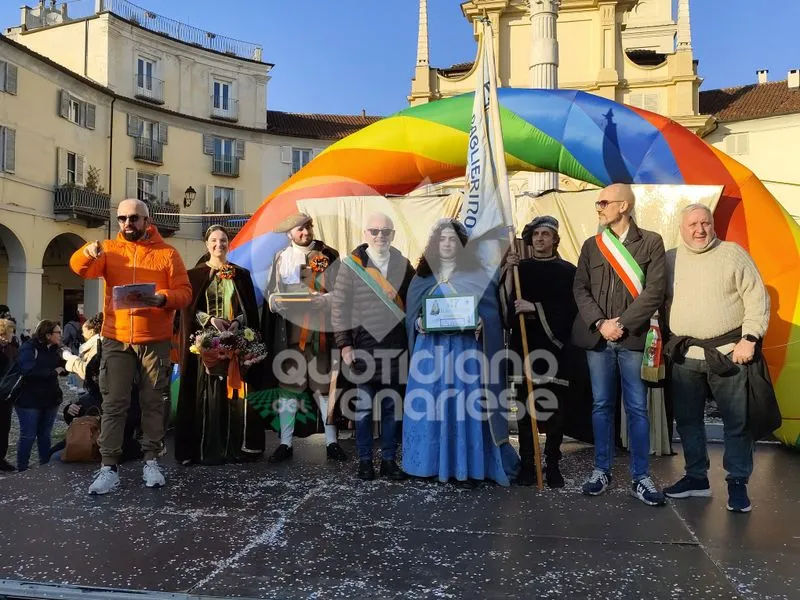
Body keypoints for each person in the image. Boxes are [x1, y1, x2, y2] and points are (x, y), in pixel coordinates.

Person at [70, 198, 192, 495]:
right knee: (113, 403)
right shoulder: (109, 250)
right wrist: (85, 253)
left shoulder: (168, 254)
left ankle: (151, 460)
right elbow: (80, 269)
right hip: (116, 338)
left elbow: (185, 293)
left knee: (153, 403)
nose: (127, 223)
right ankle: (108, 466)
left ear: (147, 221)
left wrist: (163, 298)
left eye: (134, 218)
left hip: (155, 340)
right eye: (122, 218)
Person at [663, 204, 770, 513]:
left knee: (737, 422)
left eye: (705, 223)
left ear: (713, 225)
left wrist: (750, 338)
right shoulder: (670, 259)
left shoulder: (733, 254)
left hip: (729, 353)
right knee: (687, 420)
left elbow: (757, 298)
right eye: (693, 224)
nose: (700, 229)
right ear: (682, 228)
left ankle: (737, 483)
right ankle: (696, 477)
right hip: (686, 354)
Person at [403, 219, 520, 487]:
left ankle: (466, 466)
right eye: (442, 239)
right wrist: (418, 323)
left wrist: (483, 322)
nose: (447, 244)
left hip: (466, 352)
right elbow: (411, 316)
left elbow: (493, 312)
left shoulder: (477, 275)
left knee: (464, 409)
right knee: (432, 407)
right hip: (430, 355)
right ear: (435, 244)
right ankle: (430, 464)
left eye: (452, 240)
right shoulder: (421, 277)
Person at [572, 183, 667, 506]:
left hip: (633, 338)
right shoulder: (591, 245)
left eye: (603, 202)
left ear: (623, 206)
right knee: (601, 405)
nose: (598, 208)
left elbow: (655, 291)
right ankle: (601, 470)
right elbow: (580, 288)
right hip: (599, 338)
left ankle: (640, 476)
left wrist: (622, 324)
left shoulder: (651, 242)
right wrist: (601, 323)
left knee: (637, 408)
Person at [331, 212, 415, 481]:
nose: (380, 236)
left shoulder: (404, 264)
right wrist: (345, 345)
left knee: (392, 409)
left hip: (395, 346)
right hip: (363, 347)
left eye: (385, 231)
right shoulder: (351, 265)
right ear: (365, 234)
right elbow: (339, 308)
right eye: (374, 231)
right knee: (364, 410)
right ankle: (365, 460)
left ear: (393, 234)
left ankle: (389, 460)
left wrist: (398, 295)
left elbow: (416, 300)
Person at [175, 225, 265, 465]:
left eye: (223, 240)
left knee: (235, 397)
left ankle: (236, 449)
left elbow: (249, 309)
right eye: (214, 240)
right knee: (209, 397)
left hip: (235, 346)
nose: (219, 245)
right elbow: (188, 312)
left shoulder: (241, 275)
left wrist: (237, 322)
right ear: (207, 244)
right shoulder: (194, 276)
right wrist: (210, 320)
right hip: (205, 348)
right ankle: (207, 449)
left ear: (229, 244)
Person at [261, 213, 347, 463]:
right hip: (290, 332)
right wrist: (276, 302)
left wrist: (327, 299)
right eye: (299, 229)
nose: (305, 233)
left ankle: (332, 442)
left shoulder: (328, 254)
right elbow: (271, 294)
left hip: (321, 332)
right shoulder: (280, 258)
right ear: (289, 234)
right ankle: (286, 443)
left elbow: (341, 291)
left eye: (308, 227)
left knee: (324, 388)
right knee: (288, 389)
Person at [502, 216, 578, 488]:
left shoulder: (568, 271)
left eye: (546, 234)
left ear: (556, 239)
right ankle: (527, 463)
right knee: (524, 408)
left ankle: (553, 462)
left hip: (555, 348)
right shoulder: (520, 269)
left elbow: (571, 308)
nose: (540, 239)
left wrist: (535, 308)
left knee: (555, 408)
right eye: (536, 235)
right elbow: (506, 305)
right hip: (525, 347)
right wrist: (508, 275)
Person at [53, 313, 143, 463]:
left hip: (109, 447)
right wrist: (70, 409)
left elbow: (127, 419)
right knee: (54, 453)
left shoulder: (124, 391)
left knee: (56, 457)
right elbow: (87, 403)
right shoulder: (96, 389)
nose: (82, 333)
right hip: (94, 438)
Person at [14, 320, 65, 472]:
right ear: (48, 335)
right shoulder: (29, 348)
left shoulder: (56, 349)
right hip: (29, 399)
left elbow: (63, 368)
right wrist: (53, 372)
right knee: (28, 435)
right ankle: (22, 468)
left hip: (50, 398)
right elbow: (28, 371)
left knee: (45, 435)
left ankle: (45, 466)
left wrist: (66, 361)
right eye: (58, 333)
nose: (61, 336)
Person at [0, 317, 18, 471]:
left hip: (5, 395)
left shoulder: (11, 348)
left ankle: (1, 458)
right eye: (11, 332)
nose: (13, 335)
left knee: (4, 427)